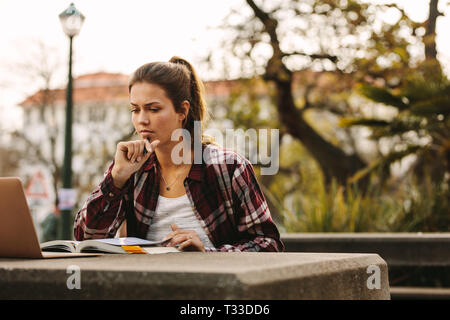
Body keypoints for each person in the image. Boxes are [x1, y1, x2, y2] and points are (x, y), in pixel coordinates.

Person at [73, 56, 284, 252]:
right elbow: (86, 239)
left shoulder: (229, 167)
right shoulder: (130, 170)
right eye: (135, 110)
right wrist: (116, 180)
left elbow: (268, 243)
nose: (142, 120)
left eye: (153, 109)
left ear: (182, 111)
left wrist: (209, 253)